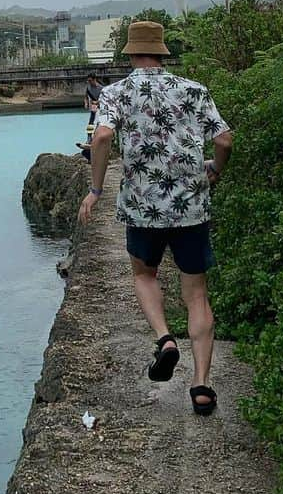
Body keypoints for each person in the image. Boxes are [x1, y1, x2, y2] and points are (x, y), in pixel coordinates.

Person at [77, 20, 233, 415]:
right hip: (191, 207)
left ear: (129, 53)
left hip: (142, 208)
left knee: (144, 275)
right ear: (163, 52)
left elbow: (103, 138)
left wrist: (95, 190)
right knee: (196, 294)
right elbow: (224, 139)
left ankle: (164, 338)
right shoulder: (193, 90)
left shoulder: (116, 92)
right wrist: (214, 169)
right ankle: (201, 386)